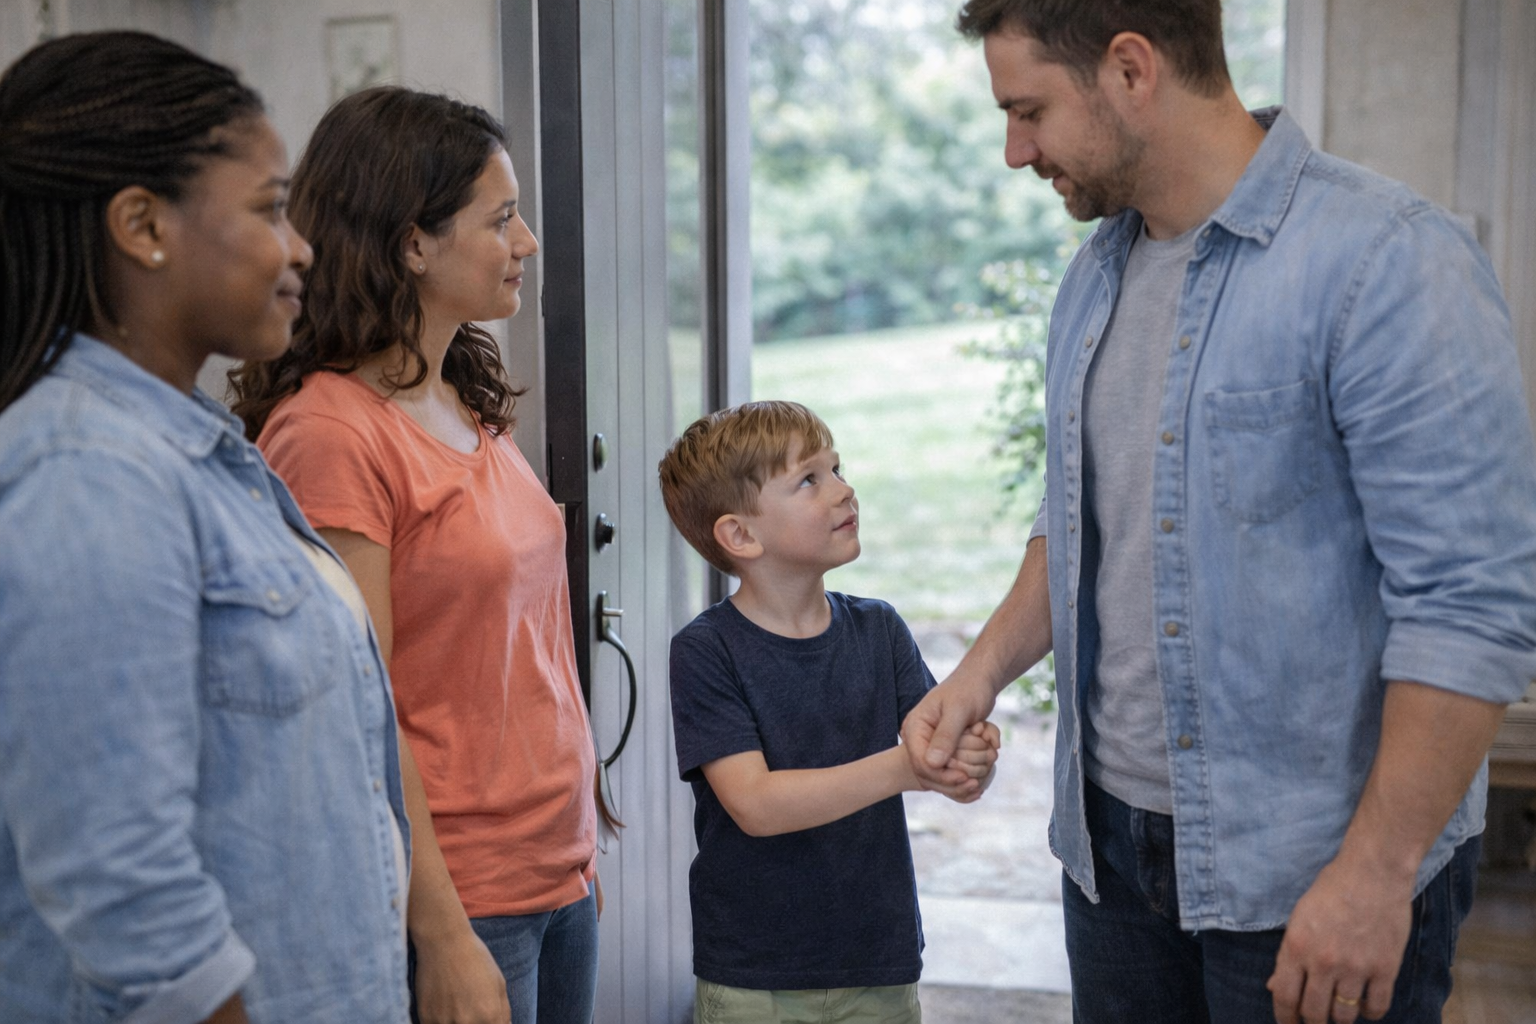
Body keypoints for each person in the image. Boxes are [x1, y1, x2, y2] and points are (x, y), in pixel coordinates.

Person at [901, 3, 1536, 1023]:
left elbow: (1470, 610)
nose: (1015, 152)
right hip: (1112, 859)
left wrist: (1376, 874)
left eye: (1029, 111)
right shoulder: (1098, 273)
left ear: (1131, 69)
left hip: (1310, 874)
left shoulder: (1388, 261)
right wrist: (975, 674)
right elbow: (1078, 512)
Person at [0, 31, 412, 1024]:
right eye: (271, 208)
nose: (301, 246)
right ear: (142, 225)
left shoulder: (196, 451)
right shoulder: (86, 469)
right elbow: (122, 884)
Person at [230, 87, 597, 1024]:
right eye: (501, 218)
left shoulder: (463, 394)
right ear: (412, 244)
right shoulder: (328, 435)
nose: (527, 243)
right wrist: (437, 932)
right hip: (461, 896)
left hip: (556, 864)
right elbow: (360, 705)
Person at [658, 400, 1001, 1024]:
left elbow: (940, 759)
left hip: (879, 962)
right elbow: (756, 805)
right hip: (754, 980)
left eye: (838, 468)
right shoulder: (705, 652)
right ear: (740, 535)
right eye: (810, 479)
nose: (845, 490)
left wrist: (964, 759)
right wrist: (909, 767)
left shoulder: (880, 628)